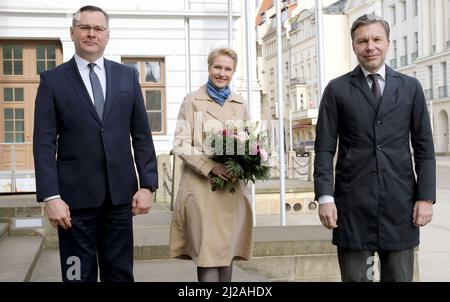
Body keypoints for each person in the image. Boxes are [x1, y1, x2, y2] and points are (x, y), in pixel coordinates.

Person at [33, 5, 158, 282]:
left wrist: (148, 185)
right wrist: (51, 197)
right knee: (77, 275)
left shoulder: (127, 76)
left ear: (107, 35)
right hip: (73, 204)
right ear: (73, 32)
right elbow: (43, 143)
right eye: (85, 27)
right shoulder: (52, 81)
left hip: (120, 199)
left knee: (120, 275)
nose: (92, 34)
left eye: (98, 29)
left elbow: (141, 134)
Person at [314, 14, 435, 282]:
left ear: (388, 43)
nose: (370, 46)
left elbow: (424, 147)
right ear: (354, 46)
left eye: (377, 39)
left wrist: (425, 198)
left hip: (400, 206)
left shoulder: (411, 88)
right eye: (363, 41)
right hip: (352, 207)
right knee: (357, 279)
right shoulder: (336, 90)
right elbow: (324, 149)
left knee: (399, 278)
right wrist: (324, 197)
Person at [169, 47, 253, 282]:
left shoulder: (240, 103)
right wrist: (210, 166)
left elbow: (248, 142)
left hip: (232, 189)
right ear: (209, 67)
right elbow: (181, 143)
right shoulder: (192, 101)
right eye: (218, 67)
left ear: (233, 72)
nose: (222, 73)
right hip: (203, 189)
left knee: (226, 255)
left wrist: (245, 164)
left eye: (228, 69)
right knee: (208, 256)